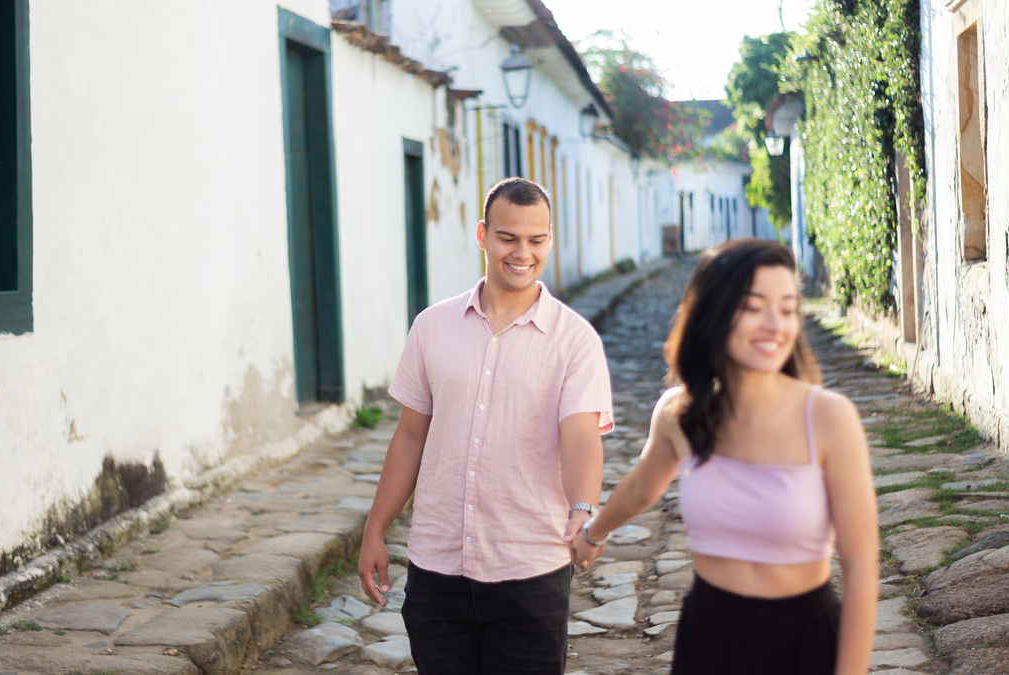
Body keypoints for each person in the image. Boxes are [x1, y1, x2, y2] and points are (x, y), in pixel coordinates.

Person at [571, 239, 878, 675]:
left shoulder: (829, 418)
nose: (775, 324)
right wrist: (593, 532)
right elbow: (643, 484)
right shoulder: (681, 414)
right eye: (754, 307)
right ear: (714, 313)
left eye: (788, 308)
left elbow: (862, 566)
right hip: (711, 639)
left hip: (806, 642)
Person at [358, 177, 614, 675]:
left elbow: (581, 436)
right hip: (437, 570)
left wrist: (583, 509)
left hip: (530, 571)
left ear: (549, 239)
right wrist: (375, 528)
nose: (523, 252)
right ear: (482, 235)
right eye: (508, 238)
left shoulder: (575, 341)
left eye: (536, 240)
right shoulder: (431, 327)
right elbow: (410, 435)